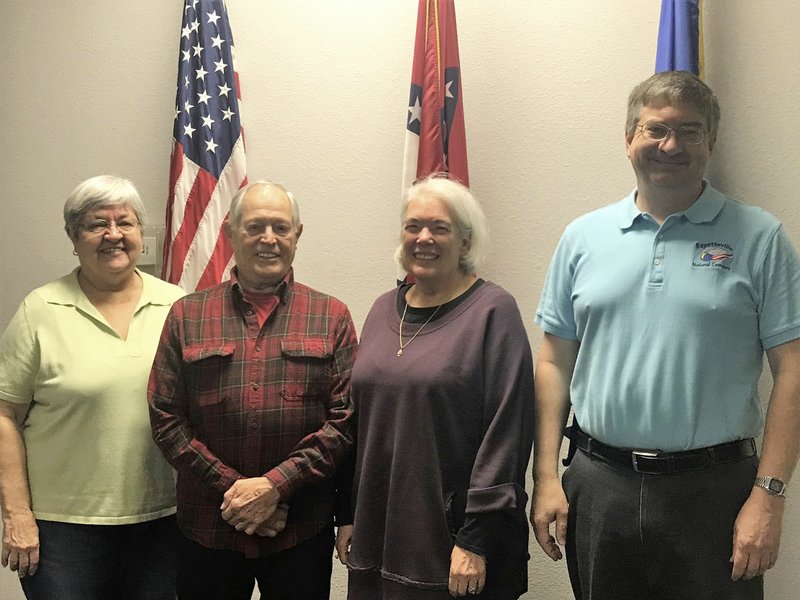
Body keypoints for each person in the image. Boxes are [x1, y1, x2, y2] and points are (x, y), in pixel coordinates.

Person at [531, 70, 800, 600]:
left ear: (711, 142)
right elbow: (554, 361)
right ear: (629, 138)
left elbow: (793, 371)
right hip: (598, 483)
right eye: (656, 129)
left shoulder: (760, 236)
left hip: (716, 492)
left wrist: (769, 495)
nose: (671, 145)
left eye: (690, 131)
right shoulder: (582, 237)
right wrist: (544, 477)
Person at [148, 180, 357, 600]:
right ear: (229, 232)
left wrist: (275, 486)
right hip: (208, 525)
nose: (269, 239)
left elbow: (346, 421)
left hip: (299, 526)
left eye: (281, 228)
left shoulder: (331, 315)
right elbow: (166, 416)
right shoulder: (187, 314)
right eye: (255, 226)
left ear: (297, 236)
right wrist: (235, 490)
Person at [341, 175, 535, 599]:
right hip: (381, 537)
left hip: (453, 545)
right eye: (413, 226)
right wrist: (350, 512)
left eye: (439, 228)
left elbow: (508, 433)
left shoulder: (493, 312)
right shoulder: (379, 310)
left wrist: (475, 540)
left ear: (465, 241)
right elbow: (361, 423)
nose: (423, 237)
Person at [0, 175, 184, 599]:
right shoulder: (40, 309)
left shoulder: (178, 306)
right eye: (97, 224)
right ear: (73, 236)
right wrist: (17, 515)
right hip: (63, 528)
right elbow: (5, 415)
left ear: (141, 233)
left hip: (163, 520)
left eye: (126, 223)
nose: (113, 235)